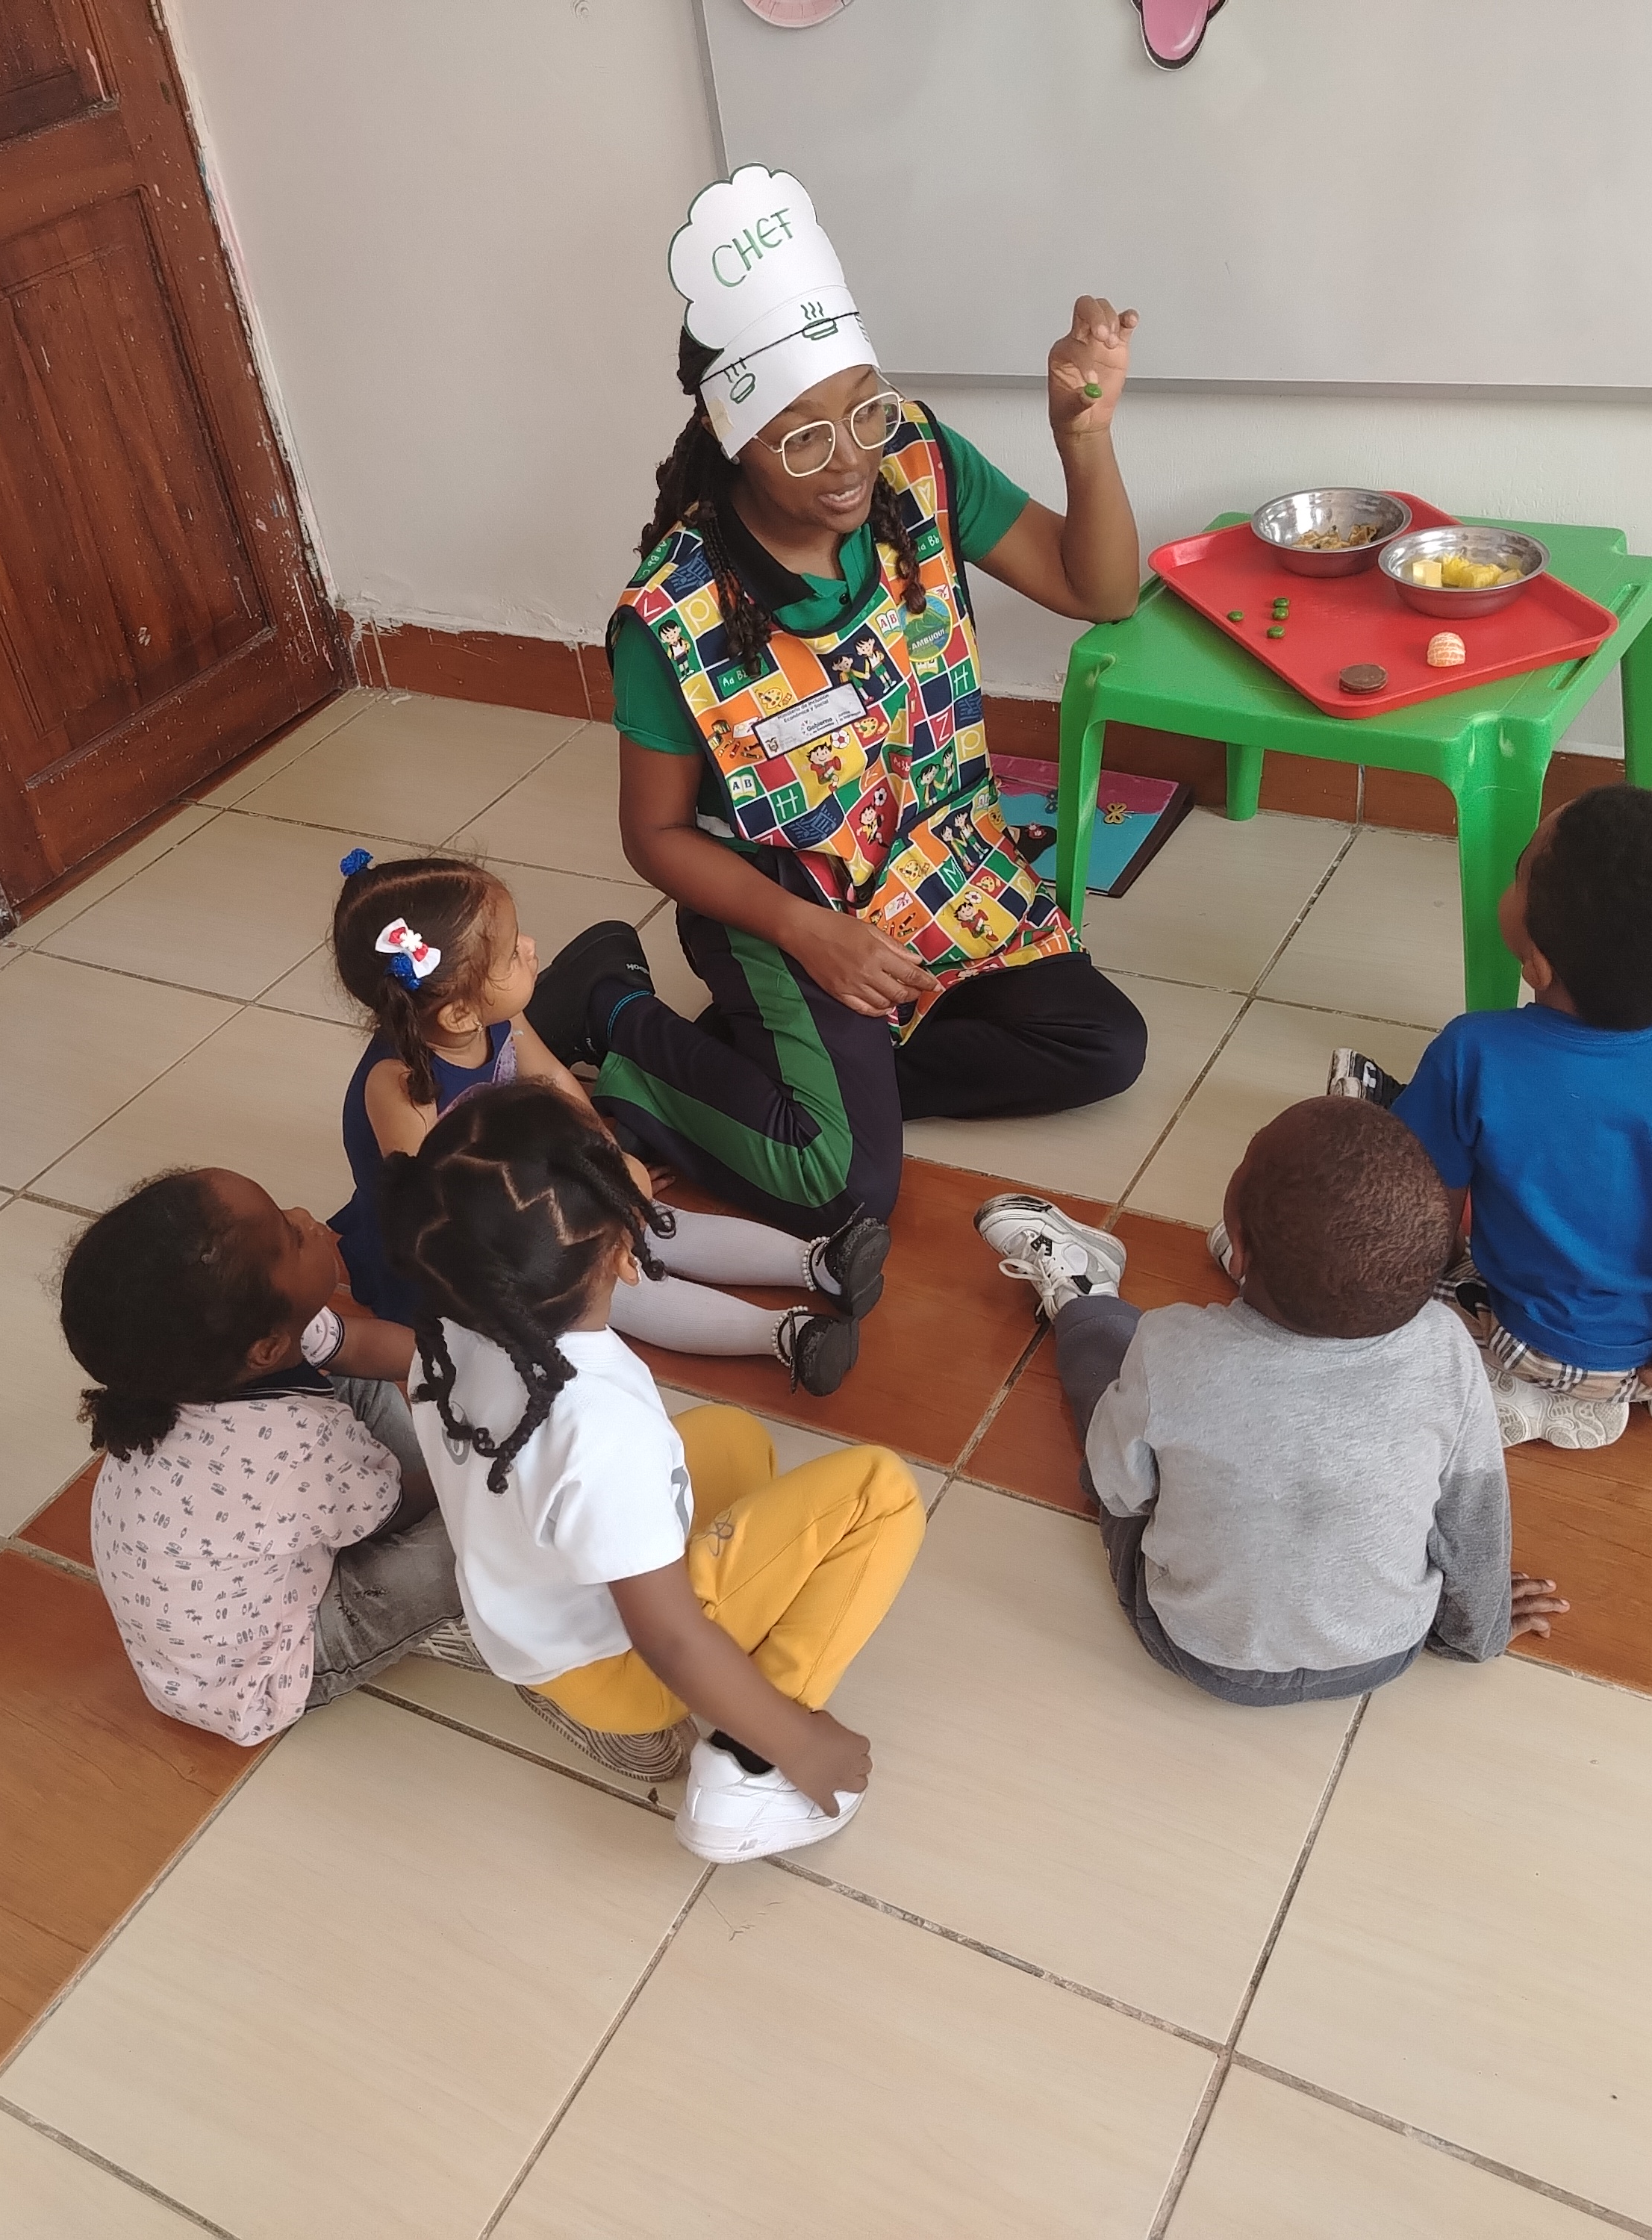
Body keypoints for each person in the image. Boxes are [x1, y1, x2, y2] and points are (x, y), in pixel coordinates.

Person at [537, 164, 1148, 1241]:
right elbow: (655, 834)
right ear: (734, 435)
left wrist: (1084, 438)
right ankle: (611, 1009)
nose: (850, 458)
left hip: (936, 857)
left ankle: (771, 1083)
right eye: (803, 435)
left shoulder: (918, 463)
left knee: (1103, 1046)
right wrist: (809, 934)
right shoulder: (672, 613)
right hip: (781, 891)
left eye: (864, 408)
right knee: (845, 1190)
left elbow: (1096, 589)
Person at [384, 1079, 924, 1862]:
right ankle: (749, 1764)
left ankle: (722, 1687)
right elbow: (668, 1639)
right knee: (882, 1492)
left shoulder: (449, 1332)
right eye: (607, 1152)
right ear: (624, 1254)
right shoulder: (598, 1420)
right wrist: (803, 1745)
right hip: (622, 1669)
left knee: (735, 1439)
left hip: (531, 1617)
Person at [974, 1101, 1565, 1702]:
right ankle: (1301, 1286)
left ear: (1239, 1248)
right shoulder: (1446, 1347)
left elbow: (1121, 1488)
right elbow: (1473, 1516)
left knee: (1115, 1395)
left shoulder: (1170, 1345)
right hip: (1382, 1653)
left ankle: (1085, 1295)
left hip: (1199, 1651)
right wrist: (1479, 1632)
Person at [328, 850, 887, 1393]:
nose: (530, 947)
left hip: (522, 1187)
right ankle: (786, 1336)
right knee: (611, 1283)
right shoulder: (399, 1086)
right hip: (466, 1251)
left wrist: (606, 1160)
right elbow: (436, 1218)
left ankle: (821, 1262)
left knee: (650, 1215)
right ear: (458, 1013)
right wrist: (569, 1236)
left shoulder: (492, 1016)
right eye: (512, 954)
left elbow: (552, 1077)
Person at [1390, 787, 1652, 1450]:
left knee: (1370, 1262)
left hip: (1533, 1339)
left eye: (1519, 872)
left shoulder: (1473, 1052)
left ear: (1537, 963)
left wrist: (1446, 1270)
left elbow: (1431, 1206)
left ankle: (1514, 1391)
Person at [58, 1167, 470, 1747]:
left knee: (356, 1385)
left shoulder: (227, 1351)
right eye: (290, 1235)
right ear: (267, 1348)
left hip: (260, 1548)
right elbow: (397, 1507)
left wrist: (470, 1367)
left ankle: (357, 1505)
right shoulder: (293, 1442)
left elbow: (360, 1346)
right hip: (257, 1676)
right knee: (461, 1545)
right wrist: (471, 1468)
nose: (306, 1217)